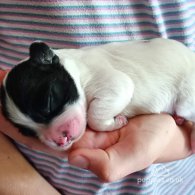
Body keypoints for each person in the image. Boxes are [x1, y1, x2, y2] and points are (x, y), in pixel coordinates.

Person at [0, 1, 195, 194]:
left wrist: (101, 121)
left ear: (52, 61)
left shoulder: (89, 70)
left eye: (49, 105)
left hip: (183, 84)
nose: (53, 139)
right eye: (31, 131)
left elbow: (121, 86)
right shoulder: (73, 75)